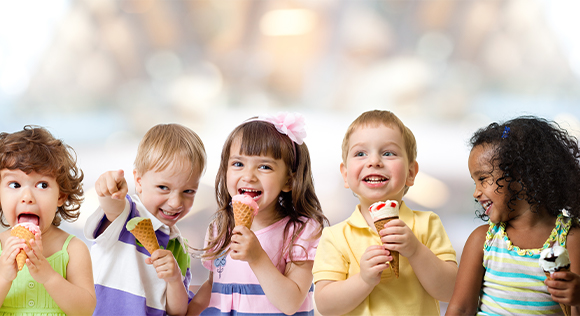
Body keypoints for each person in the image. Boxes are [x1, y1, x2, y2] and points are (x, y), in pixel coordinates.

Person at [312, 110, 457, 315]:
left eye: (388, 153)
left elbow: (450, 291)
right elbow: (326, 306)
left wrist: (415, 251)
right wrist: (363, 280)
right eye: (360, 153)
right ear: (345, 175)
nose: (374, 162)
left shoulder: (428, 223)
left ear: (411, 173)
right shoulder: (335, 236)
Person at [188, 113, 328, 316]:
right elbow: (212, 286)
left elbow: (290, 303)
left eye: (264, 166)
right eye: (238, 164)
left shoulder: (302, 230)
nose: (248, 176)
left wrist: (257, 258)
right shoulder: (219, 227)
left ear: (289, 180)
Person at [446, 116, 580, 315]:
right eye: (475, 182)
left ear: (521, 175)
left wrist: (577, 298)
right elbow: (461, 308)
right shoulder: (483, 240)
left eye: (483, 179)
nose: (476, 192)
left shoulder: (570, 238)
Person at [83, 123, 206, 316]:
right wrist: (109, 188)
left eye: (188, 191)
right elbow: (111, 205)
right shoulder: (127, 213)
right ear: (139, 182)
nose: (175, 202)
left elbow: (177, 311)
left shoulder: (179, 248)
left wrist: (174, 279)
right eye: (163, 188)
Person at [0, 125, 96, 316]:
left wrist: (49, 277)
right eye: (15, 184)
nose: (27, 196)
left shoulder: (72, 249)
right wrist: (4, 277)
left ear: (61, 196)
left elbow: (85, 310)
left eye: (42, 185)